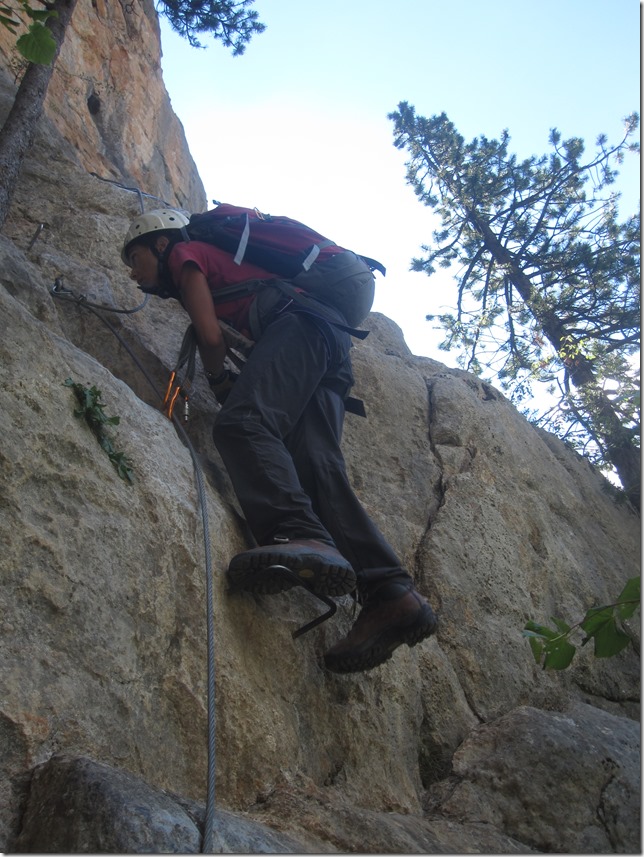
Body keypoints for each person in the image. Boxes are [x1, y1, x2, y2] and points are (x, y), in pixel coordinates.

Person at [121, 207, 437, 673]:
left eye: (134, 257)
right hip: (329, 341)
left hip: (300, 328)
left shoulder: (186, 254)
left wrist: (221, 382)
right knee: (316, 467)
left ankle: (298, 533)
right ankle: (391, 593)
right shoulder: (216, 258)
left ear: (161, 244)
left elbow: (209, 334)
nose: (132, 271)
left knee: (241, 423)